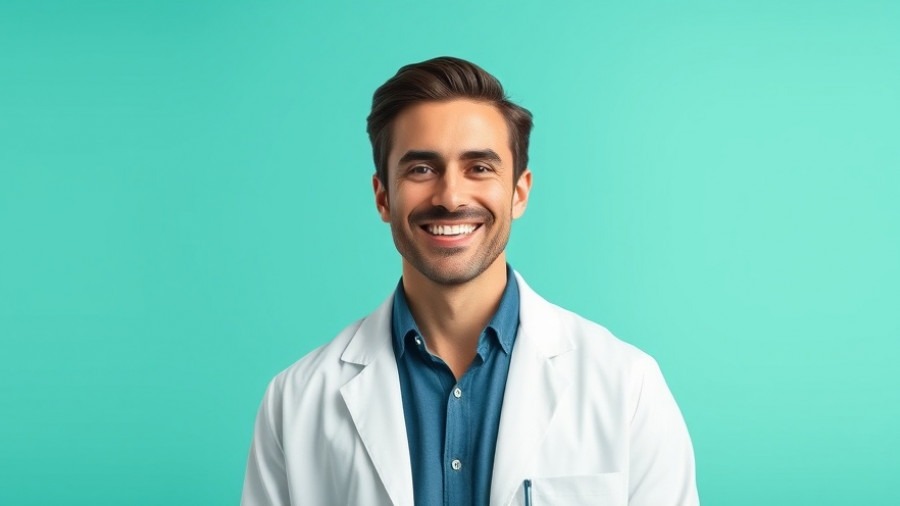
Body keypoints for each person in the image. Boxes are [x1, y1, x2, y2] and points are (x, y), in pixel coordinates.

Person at [241, 56, 699, 506]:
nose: (451, 197)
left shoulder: (627, 386)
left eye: (479, 167)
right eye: (421, 169)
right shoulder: (296, 402)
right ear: (383, 197)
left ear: (519, 192)